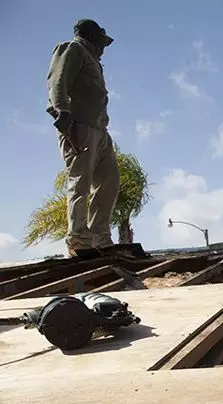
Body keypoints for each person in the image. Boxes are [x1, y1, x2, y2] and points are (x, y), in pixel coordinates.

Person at [46, 19, 119, 257]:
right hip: (79, 127)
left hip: (100, 130)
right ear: (90, 36)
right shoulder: (73, 49)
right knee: (80, 182)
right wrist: (61, 111)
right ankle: (78, 240)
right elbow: (57, 82)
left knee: (109, 180)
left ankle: (100, 237)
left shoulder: (93, 60)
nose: (103, 48)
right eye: (101, 41)